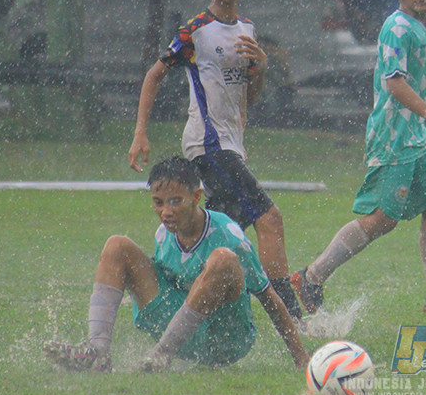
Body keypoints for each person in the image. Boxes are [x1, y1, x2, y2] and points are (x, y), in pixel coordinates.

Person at [290, 0, 426, 315]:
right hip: (394, 136)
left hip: (415, 135)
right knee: (382, 218)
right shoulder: (397, 27)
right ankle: (311, 276)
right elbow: (394, 84)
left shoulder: (418, 26)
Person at [127, 0, 302, 320]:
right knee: (269, 220)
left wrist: (261, 68)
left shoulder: (247, 30)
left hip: (232, 145)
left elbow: (247, 98)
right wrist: (140, 133)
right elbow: (154, 75)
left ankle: (166, 293)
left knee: (220, 234)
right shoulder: (195, 32)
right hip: (208, 144)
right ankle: (293, 316)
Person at [43, 156, 309, 372]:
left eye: (175, 201)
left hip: (225, 339)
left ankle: (162, 354)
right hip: (184, 331)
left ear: (196, 197)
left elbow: (269, 298)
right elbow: (165, 282)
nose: (166, 212)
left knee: (223, 259)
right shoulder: (163, 235)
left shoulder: (229, 234)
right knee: (117, 245)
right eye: (158, 203)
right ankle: (98, 354)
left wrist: (301, 359)